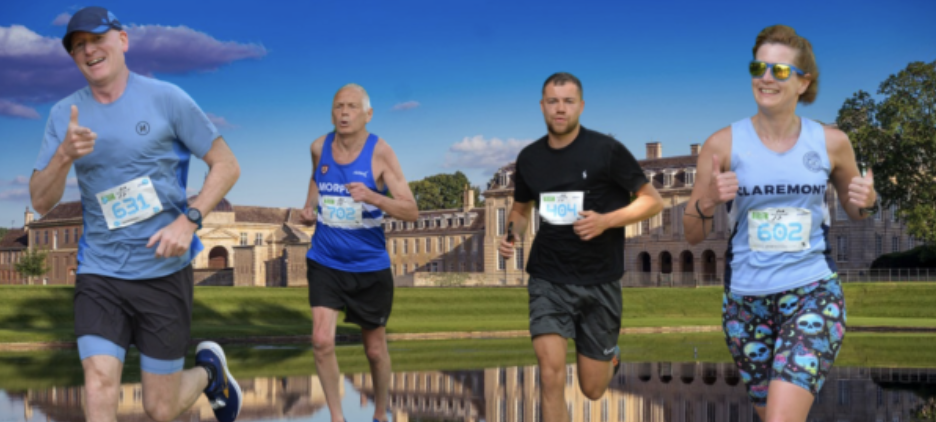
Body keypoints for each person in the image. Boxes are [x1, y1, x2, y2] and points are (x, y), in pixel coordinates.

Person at [29, 7, 242, 422]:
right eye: (78, 46)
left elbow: (227, 164)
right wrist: (62, 157)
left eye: (96, 39)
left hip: (162, 270)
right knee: (98, 382)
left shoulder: (168, 99)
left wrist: (190, 219)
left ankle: (209, 373)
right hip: (100, 271)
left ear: (122, 40)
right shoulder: (63, 115)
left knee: (159, 408)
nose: (88, 51)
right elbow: (40, 202)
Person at [683, 25, 876, 422]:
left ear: (804, 82)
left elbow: (858, 212)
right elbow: (693, 232)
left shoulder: (831, 142)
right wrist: (708, 200)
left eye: (780, 71)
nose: (766, 78)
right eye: (759, 67)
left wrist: (867, 202)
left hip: (812, 293)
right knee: (770, 414)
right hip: (745, 303)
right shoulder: (721, 144)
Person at [499, 72, 664, 421]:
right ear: (542, 106)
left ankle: (611, 357)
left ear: (581, 106)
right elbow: (520, 209)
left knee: (592, 389)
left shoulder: (607, 151)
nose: (560, 109)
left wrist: (606, 220)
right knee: (550, 373)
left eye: (568, 101)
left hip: (599, 280)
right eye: (553, 101)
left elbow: (652, 202)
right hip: (548, 277)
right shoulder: (529, 158)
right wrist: (511, 235)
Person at [301, 84, 418, 422]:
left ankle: (381, 414)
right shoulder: (318, 147)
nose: (344, 113)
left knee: (375, 351)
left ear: (368, 114)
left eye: (352, 107)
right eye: (339, 106)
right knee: (322, 340)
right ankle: (338, 417)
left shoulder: (381, 152)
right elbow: (314, 182)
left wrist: (374, 197)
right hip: (325, 259)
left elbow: (411, 211)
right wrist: (308, 209)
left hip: (369, 266)